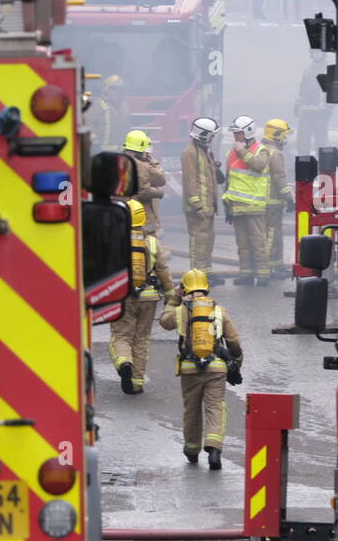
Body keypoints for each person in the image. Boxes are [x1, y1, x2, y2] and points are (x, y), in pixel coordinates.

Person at [159, 269, 243, 469]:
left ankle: (192, 450)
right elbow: (234, 341)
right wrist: (236, 363)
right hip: (216, 368)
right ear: (207, 287)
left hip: (190, 369)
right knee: (215, 407)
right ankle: (214, 449)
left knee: (192, 410)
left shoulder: (180, 311)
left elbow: (163, 322)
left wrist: (174, 298)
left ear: (185, 288)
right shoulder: (218, 310)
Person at [107, 199, 172, 395]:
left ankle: (124, 362)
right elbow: (163, 270)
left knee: (122, 336)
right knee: (141, 339)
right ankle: (136, 382)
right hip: (148, 297)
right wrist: (170, 295)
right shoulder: (152, 243)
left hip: (123, 296)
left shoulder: (114, 240)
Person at [221, 115, 271, 285]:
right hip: (237, 206)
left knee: (258, 242)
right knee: (242, 243)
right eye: (234, 133)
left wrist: (242, 152)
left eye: (239, 133)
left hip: (255, 206)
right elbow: (229, 181)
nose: (236, 137)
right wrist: (227, 207)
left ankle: (263, 274)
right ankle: (246, 274)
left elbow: (258, 166)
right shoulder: (231, 153)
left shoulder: (261, 150)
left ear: (248, 132)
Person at [180, 116, 224, 272]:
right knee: (198, 241)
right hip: (198, 208)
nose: (213, 137)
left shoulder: (204, 151)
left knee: (208, 240)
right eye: (211, 134)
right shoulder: (189, 153)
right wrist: (197, 205)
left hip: (207, 207)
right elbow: (190, 181)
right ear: (204, 134)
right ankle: (197, 274)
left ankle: (206, 271)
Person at [259, 119, 295, 280]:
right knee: (272, 234)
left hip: (261, 200)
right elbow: (280, 178)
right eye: (284, 135)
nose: (285, 139)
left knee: (268, 233)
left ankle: (275, 265)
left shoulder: (261, 149)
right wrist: (290, 198)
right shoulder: (276, 153)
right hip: (272, 200)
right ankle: (271, 266)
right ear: (277, 134)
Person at [122, 129, 167, 236]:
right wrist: (159, 193)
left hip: (123, 210)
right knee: (148, 243)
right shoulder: (141, 165)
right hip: (140, 211)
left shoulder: (119, 160)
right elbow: (145, 190)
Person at [293, 50, 332, 157]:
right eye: (314, 52)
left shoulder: (328, 69)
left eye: (319, 52)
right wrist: (298, 105)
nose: (316, 54)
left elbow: (332, 91)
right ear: (311, 54)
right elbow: (302, 90)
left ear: (323, 54)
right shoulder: (307, 70)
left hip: (321, 112)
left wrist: (329, 108)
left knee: (321, 142)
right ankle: (304, 165)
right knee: (302, 141)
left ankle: (322, 168)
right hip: (306, 111)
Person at [86, 74, 127, 151]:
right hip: (102, 150)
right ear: (106, 90)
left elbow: (127, 126)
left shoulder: (124, 105)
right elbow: (88, 122)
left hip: (122, 151)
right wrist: (94, 142)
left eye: (120, 90)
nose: (118, 92)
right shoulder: (98, 104)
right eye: (114, 89)